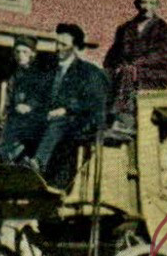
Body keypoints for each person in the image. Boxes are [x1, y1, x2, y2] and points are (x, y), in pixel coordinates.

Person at [27, 23, 109, 191]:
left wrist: (67, 109)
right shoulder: (49, 71)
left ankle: (38, 162)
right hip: (52, 123)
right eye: (56, 43)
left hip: (82, 124)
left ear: (76, 47)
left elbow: (94, 102)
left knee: (61, 120)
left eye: (63, 45)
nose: (58, 48)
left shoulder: (89, 73)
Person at [103, 0, 167, 139]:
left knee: (128, 72)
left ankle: (125, 121)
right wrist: (111, 68)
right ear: (137, 4)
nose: (147, 7)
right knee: (106, 75)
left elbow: (160, 55)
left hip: (154, 74)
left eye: (151, 3)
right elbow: (113, 54)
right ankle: (104, 120)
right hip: (126, 72)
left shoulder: (164, 30)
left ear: (157, 5)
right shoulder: (125, 28)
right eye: (143, 2)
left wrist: (135, 65)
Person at [0, 36, 49, 162]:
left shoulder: (40, 76)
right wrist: (5, 115)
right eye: (17, 52)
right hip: (16, 121)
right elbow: (9, 100)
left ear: (33, 54)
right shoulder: (15, 77)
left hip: (35, 121)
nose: (20, 55)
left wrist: (29, 106)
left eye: (25, 52)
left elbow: (43, 97)